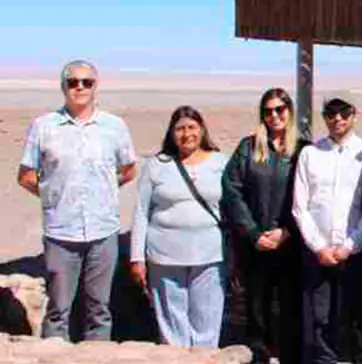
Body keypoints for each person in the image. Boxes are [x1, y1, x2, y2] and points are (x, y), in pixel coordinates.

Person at [18, 60, 137, 341]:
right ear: (63, 87)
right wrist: (54, 195)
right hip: (61, 232)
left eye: (86, 82)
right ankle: (53, 361)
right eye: (73, 82)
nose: (80, 87)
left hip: (103, 230)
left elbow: (129, 169)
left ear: (96, 86)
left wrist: (104, 190)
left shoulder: (114, 126)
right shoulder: (43, 126)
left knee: (100, 308)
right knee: (58, 309)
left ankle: (96, 361)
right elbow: (26, 175)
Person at [220, 87, 307, 364]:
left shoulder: (303, 150)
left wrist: (287, 231)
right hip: (256, 245)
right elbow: (232, 190)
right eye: (268, 111)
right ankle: (259, 362)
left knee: (291, 307)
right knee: (257, 306)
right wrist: (253, 233)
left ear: (289, 111)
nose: (274, 116)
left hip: (291, 245)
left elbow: (311, 196)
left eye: (280, 109)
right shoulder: (248, 148)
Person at [293, 95, 362, 364]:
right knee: (321, 315)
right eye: (331, 113)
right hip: (319, 251)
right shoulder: (310, 154)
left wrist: (350, 245)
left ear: (354, 115)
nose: (337, 119)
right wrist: (318, 247)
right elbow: (301, 206)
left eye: (344, 113)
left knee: (357, 314)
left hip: (355, 251)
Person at [130, 107, 228, 347]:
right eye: (180, 129)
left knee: (207, 315)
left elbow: (231, 207)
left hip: (210, 254)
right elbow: (141, 212)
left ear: (202, 130)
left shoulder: (220, 162)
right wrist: (137, 258)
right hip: (164, 255)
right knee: (172, 319)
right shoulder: (156, 165)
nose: (187, 134)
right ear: (171, 133)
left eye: (192, 127)